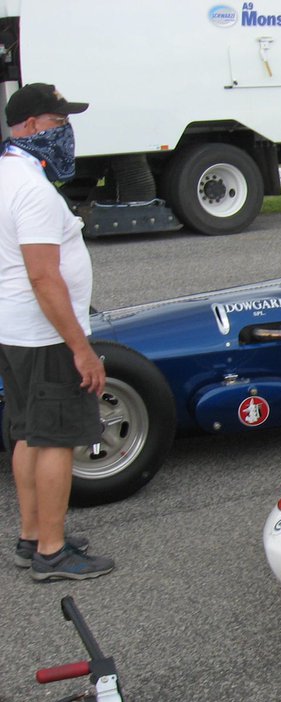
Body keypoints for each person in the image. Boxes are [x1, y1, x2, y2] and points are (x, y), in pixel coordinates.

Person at [0, 83, 114, 581]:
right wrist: (81, 348)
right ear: (28, 127)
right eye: (56, 123)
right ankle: (51, 551)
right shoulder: (32, 189)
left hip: (15, 330)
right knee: (56, 440)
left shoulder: (7, 174)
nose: (66, 133)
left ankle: (32, 535)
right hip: (44, 334)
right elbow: (43, 275)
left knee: (27, 432)